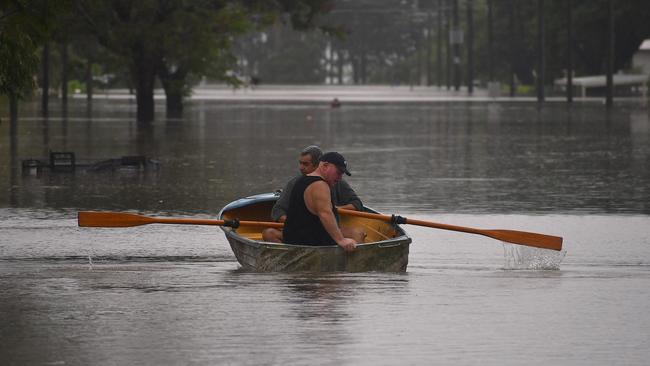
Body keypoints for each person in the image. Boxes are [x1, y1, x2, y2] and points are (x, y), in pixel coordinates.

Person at [262, 146, 365, 243]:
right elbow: (278, 211)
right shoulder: (296, 183)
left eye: (306, 164)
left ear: (318, 165)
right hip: (306, 233)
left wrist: (335, 208)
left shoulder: (336, 180)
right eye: (300, 163)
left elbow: (357, 204)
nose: (301, 168)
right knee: (269, 233)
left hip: (321, 232)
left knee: (357, 233)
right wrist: (295, 224)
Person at [282, 152, 357, 252]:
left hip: (293, 244)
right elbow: (325, 214)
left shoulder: (302, 181)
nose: (339, 178)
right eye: (338, 173)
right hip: (311, 248)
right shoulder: (320, 185)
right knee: (354, 239)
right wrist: (341, 240)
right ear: (325, 166)